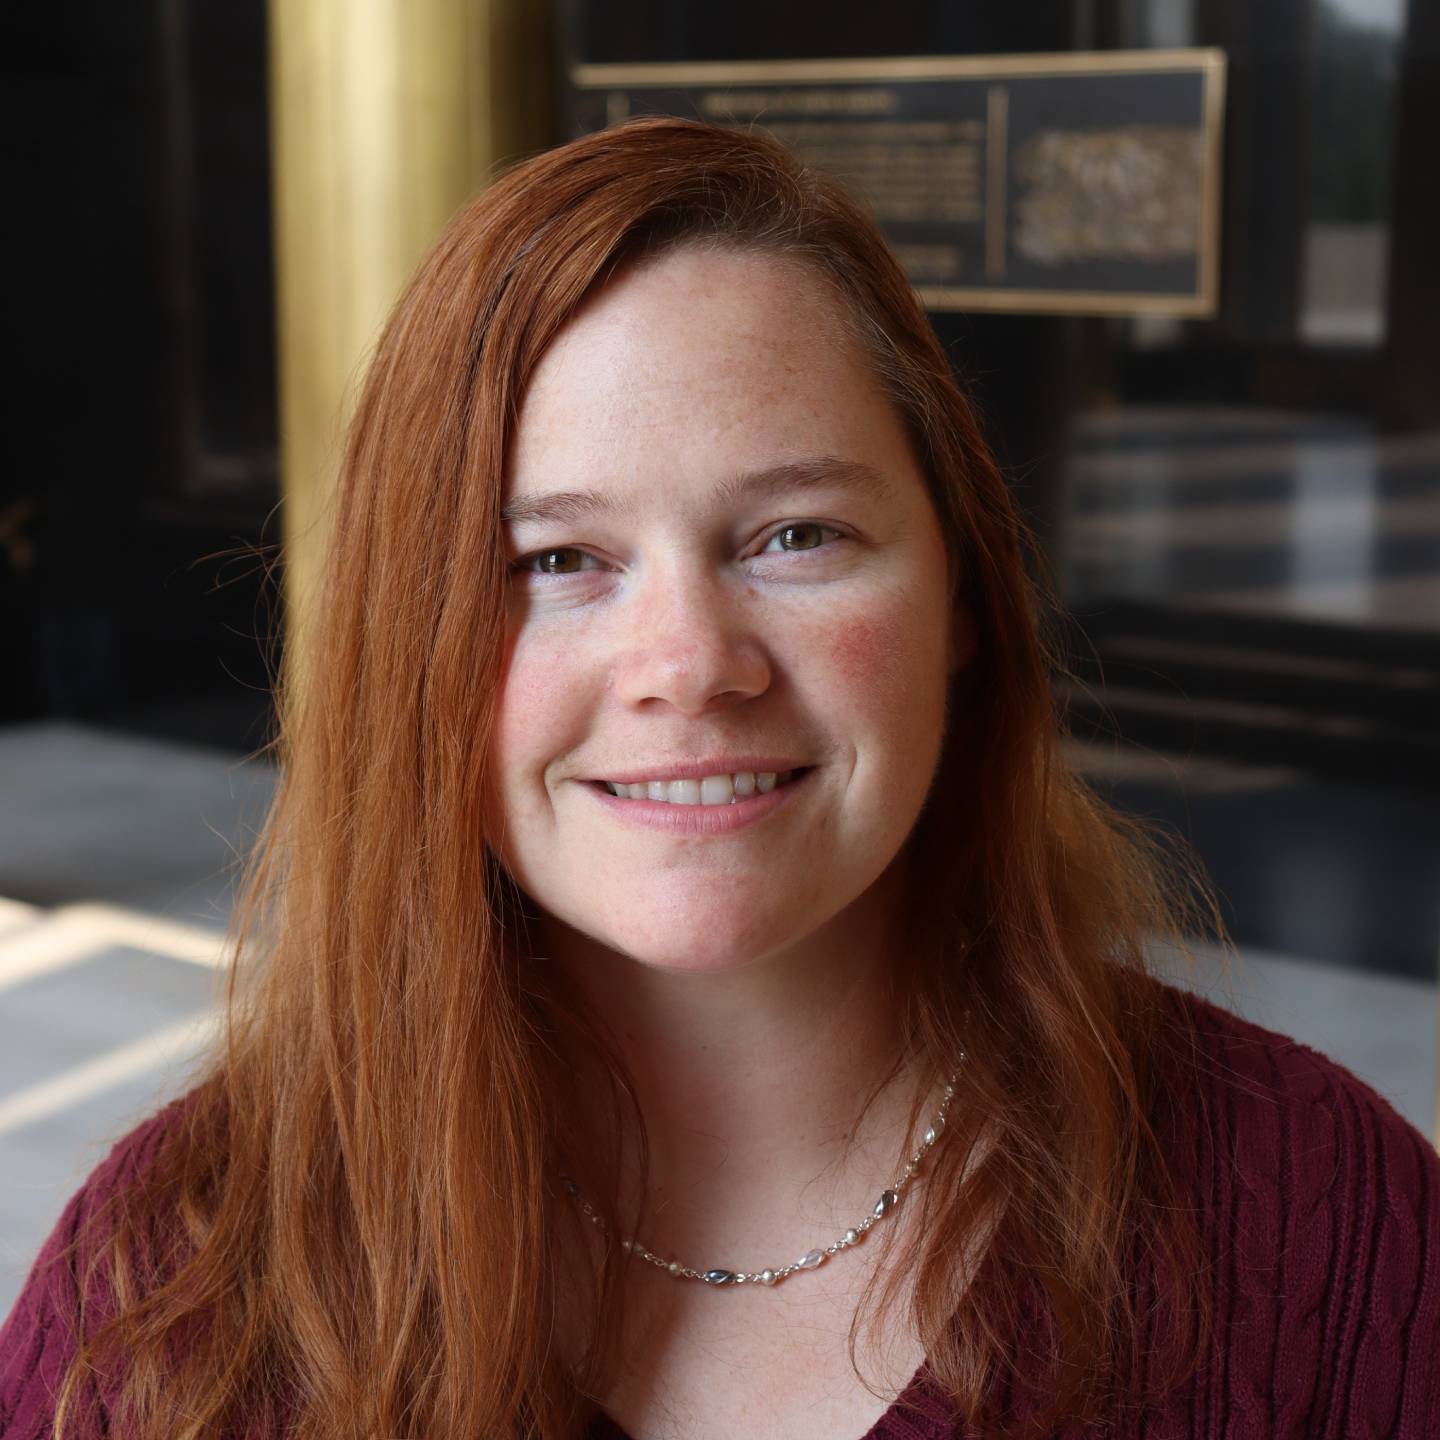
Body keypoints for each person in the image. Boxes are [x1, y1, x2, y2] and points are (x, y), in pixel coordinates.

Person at [2, 117, 1437, 1440]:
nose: (688, 665)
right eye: (555, 562)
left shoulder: (1325, 1230)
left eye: (795, 536)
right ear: (404, 654)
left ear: (965, 606)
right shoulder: (160, 1298)